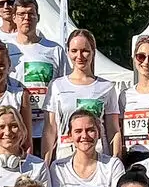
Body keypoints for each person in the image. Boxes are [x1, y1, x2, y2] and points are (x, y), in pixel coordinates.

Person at [47, 29, 124, 160]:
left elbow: (113, 130)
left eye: (85, 51)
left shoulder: (107, 87)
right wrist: (46, 163)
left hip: (99, 157)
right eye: (74, 51)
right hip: (65, 157)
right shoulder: (56, 86)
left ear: (93, 52)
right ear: (68, 52)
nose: (79, 56)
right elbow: (50, 130)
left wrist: (116, 160)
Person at [2, 0, 62, 150]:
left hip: (46, 129)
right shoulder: (6, 49)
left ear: (38, 17)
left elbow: (63, 86)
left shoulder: (54, 49)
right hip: (14, 130)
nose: (26, 18)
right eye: (21, 14)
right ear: (14, 18)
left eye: (31, 14)